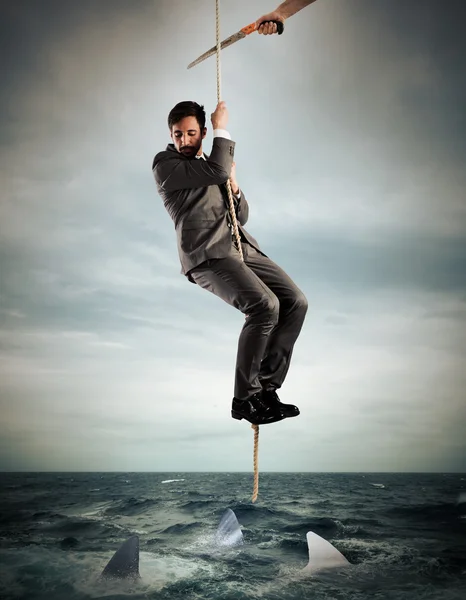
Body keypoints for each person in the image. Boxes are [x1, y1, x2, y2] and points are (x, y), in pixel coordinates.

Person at [152, 100, 308, 426]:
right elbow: (218, 171)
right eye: (177, 134)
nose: (183, 140)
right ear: (171, 135)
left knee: (295, 302)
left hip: (241, 249)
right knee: (264, 306)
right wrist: (223, 127)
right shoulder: (166, 165)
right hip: (207, 255)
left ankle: (266, 389)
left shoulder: (212, 164)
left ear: (202, 133)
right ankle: (244, 399)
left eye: (191, 133)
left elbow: (242, 216)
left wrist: (234, 189)